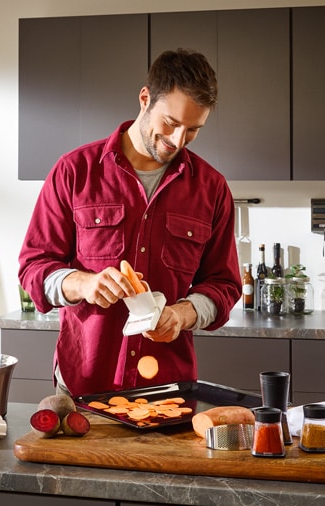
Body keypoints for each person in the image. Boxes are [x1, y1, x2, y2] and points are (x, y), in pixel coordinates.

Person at [18, 49, 241, 397]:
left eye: (193, 130)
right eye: (170, 123)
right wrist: (82, 284)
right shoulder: (74, 172)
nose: (178, 140)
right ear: (145, 98)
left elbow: (224, 285)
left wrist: (183, 314)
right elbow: (33, 268)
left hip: (169, 390)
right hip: (84, 386)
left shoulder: (212, 189)